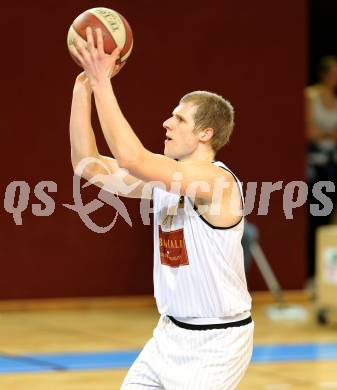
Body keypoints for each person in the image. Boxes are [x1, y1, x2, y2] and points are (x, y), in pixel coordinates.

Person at [69, 27, 253, 390]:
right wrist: (84, 88)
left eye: (180, 119)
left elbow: (132, 159)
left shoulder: (217, 183)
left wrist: (104, 81)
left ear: (205, 134)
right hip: (168, 335)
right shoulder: (167, 183)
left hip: (216, 343)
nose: (167, 123)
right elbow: (86, 165)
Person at [305, 56, 337, 281]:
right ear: (325, 74)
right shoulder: (310, 96)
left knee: (329, 220)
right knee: (317, 215)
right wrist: (327, 135)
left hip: (333, 162)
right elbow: (310, 133)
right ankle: (310, 271)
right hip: (313, 164)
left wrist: (324, 134)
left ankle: (327, 275)